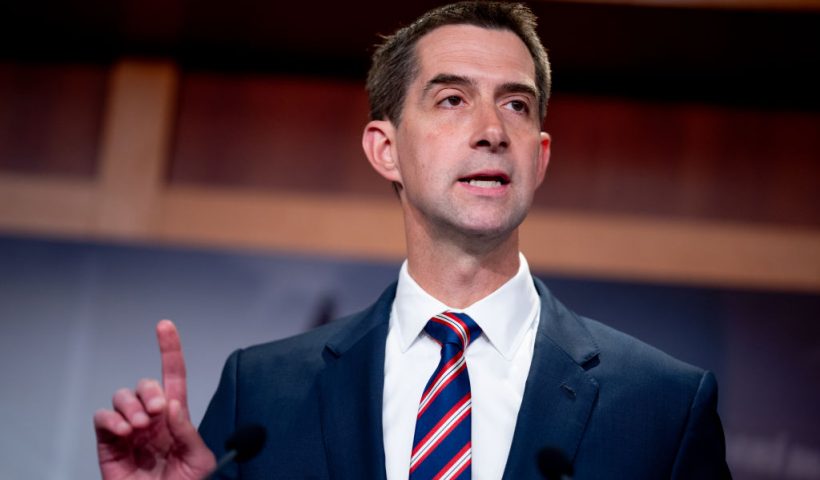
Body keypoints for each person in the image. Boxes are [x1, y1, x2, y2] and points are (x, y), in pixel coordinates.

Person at [93, 2, 731, 479]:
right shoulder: (261, 394)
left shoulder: (662, 407)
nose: (490, 130)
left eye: (516, 105)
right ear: (386, 148)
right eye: (452, 99)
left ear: (539, 158)